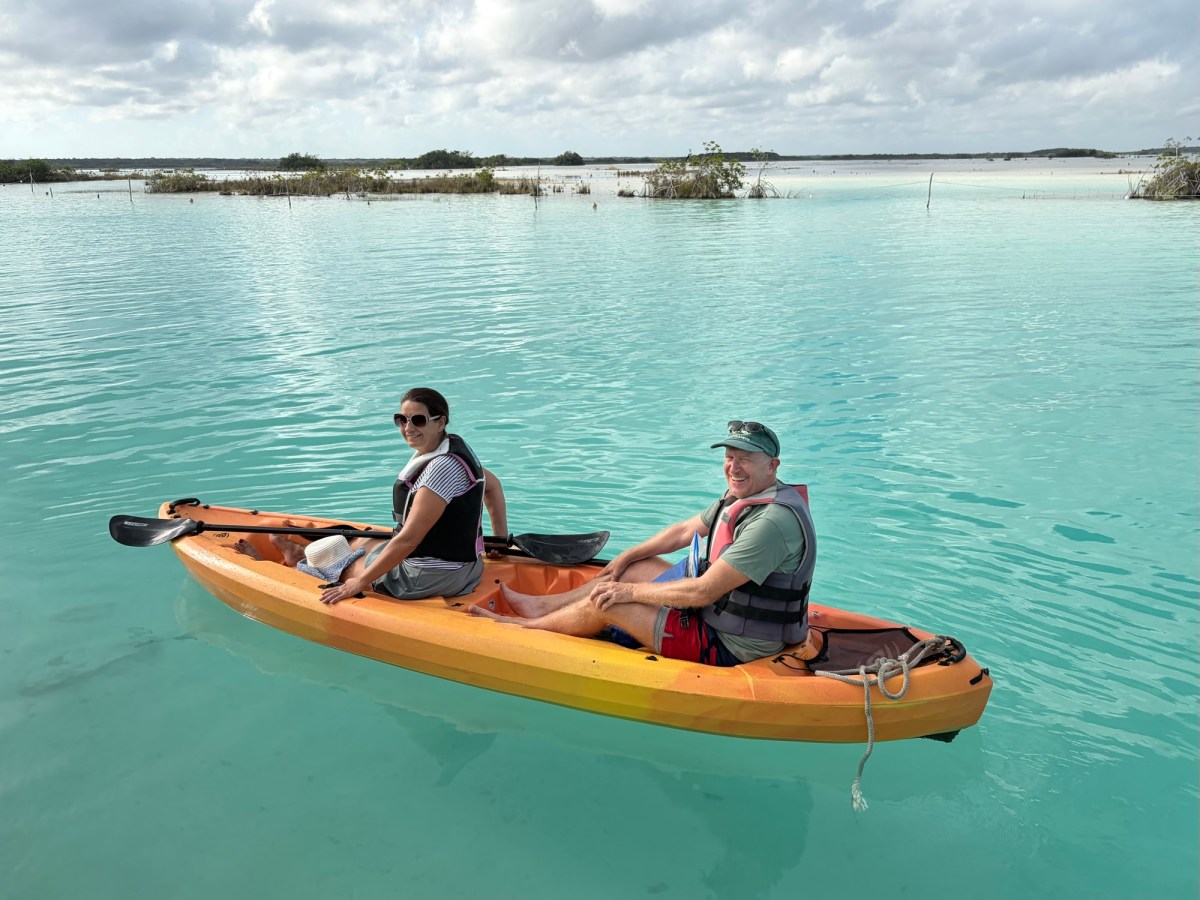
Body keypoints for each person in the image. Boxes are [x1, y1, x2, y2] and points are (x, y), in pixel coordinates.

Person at [470, 420, 816, 666]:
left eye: (745, 459)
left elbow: (702, 592)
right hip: (717, 614)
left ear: (772, 466)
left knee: (608, 603)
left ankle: (528, 628)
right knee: (635, 567)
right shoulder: (745, 496)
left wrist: (629, 593)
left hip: (731, 644)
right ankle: (543, 607)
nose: (733, 467)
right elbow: (684, 531)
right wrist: (627, 556)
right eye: (729, 457)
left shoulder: (771, 523)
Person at [236, 387, 507, 605]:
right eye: (401, 419)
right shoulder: (453, 451)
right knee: (362, 540)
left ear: (441, 422)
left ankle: (294, 563)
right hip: (469, 567)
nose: (408, 427)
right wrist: (500, 540)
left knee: (342, 567)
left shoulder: (439, 470)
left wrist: (359, 582)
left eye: (418, 420)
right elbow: (492, 487)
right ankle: (303, 554)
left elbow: (410, 539)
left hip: (427, 576)